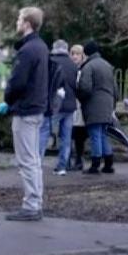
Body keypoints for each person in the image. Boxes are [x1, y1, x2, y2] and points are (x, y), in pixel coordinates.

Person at [3, 7, 49, 221]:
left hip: (26, 109)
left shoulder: (28, 50)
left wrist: (8, 98)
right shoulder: (41, 47)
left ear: (27, 23)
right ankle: (35, 202)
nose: (16, 22)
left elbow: (18, 82)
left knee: (27, 160)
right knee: (34, 159)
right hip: (37, 107)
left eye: (19, 18)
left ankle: (31, 204)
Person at [76, 41, 117, 175]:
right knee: (104, 134)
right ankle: (109, 163)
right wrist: (113, 104)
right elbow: (116, 90)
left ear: (86, 53)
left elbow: (85, 88)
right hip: (108, 104)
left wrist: (80, 97)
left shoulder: (88, 67)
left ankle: (95, 165)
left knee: (95, 134)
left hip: (94, 105)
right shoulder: (108, 65)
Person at [40, 39, 78, 175]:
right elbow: (76, 86)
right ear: (66, 49)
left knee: (43, 133)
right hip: (69, 106)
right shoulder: (73, 65)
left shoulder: (49, 62)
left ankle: (37, 164)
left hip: (53, 105)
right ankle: (62, 167)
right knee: (66, 137)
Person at [68, 44, 87, 172]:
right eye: (72, 54)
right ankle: (68, 159)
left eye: (77, 54)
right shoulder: (69, 68)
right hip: (70, 105)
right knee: (69, 134)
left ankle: (79, 159)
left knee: (79, 135)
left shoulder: (84, 69)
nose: (74, 56)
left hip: (80, 107)